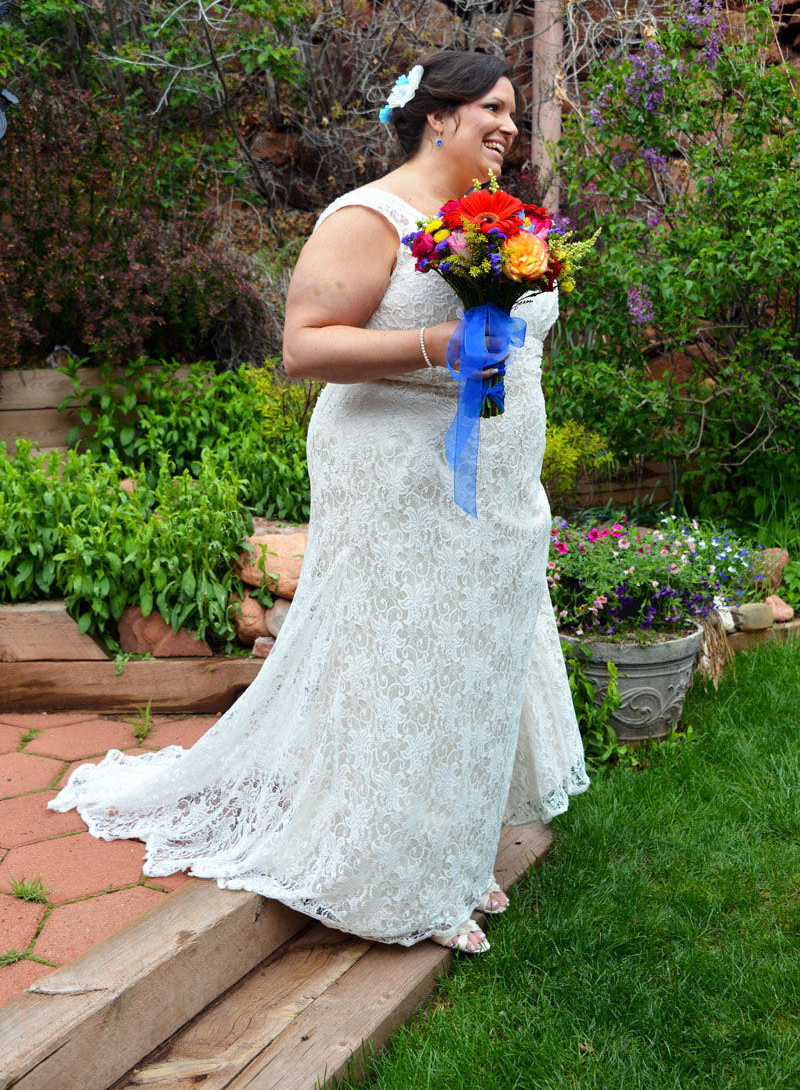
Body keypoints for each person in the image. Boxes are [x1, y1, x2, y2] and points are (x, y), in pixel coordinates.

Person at [50, 51, 589, 956]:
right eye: (493, 108)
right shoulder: (367, 216)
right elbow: (304, 347)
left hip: (494, 480)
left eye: (514, 113)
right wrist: (438, 342)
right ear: (437, 116)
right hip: (397, 471)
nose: (508, 126)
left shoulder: (508, 224)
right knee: (403, 661)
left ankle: (451, 852)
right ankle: (396, 876)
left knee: (467, 665)